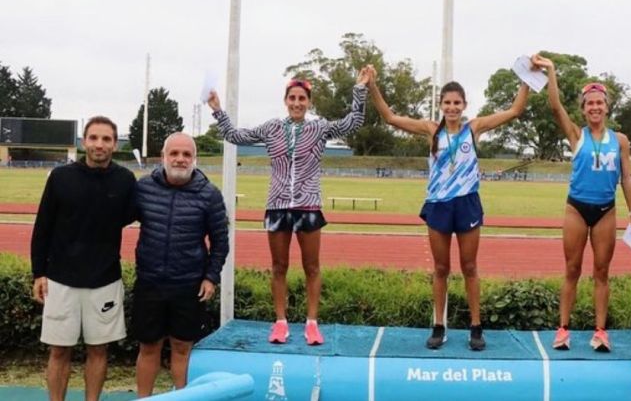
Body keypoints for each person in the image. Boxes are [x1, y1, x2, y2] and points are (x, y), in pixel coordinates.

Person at [367, 66, 529, 351]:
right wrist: (372, 86)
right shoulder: (431, 130)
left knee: (469, 267)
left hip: (466, 203)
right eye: (447, 103)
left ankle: (476, 327)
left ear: (464, 105)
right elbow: (390, 117)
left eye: (457, 103)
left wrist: (527, 79)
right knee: (441, 268)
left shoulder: (474, 128)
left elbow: (515, 110)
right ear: (440, 105)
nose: (452, 107)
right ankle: (439, 326)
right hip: (439, 204)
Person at [207, 68, 370, 345]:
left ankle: (311, 323)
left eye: (302, 98)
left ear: (309, 102)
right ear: (286, 101)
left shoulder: (319, 128)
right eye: (292, 98)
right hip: (277, 205)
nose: (297, 103)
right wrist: (218, 110)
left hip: (308, 206)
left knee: (312, 267)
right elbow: (236, 136)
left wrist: (360, 88)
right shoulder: (271, 128)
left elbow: (353, 123)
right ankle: (280, 322)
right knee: (279, 266)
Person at [532, 54, 631, 352]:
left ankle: (600, 331)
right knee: (572, 269)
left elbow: (627, 179)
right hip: (577, 208)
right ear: (583, 109)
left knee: (602, 272)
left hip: (606, 210)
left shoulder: (620, 140)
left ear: (606, 107)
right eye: (589, 103)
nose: (595, 107)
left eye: (599, 102)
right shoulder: (575, 134)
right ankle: (563, 328)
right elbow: (555, 106)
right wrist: (551, 70)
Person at [30, 116, 136, 401]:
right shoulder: (61, 178)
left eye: (106, 139)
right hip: (60, 280)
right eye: (93, 138)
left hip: (104, 280)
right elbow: (43, 227)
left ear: (115, 144)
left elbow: (142, 212)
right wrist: (38, 272)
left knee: (98, 349)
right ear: (84, 141)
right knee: (59, 350)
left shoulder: (125, 181)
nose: (99, 144)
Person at [132, 132, 228, 397]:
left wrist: (211, 277)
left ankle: (181, 396)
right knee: (148, 347)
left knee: (182, 348)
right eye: (174, 153)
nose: (180, 159)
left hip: (188, 286)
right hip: (149, 283)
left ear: (194, 159)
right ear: (163, 156)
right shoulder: (144, 189)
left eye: (186, 154)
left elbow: (220, 242)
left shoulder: (209, 195)